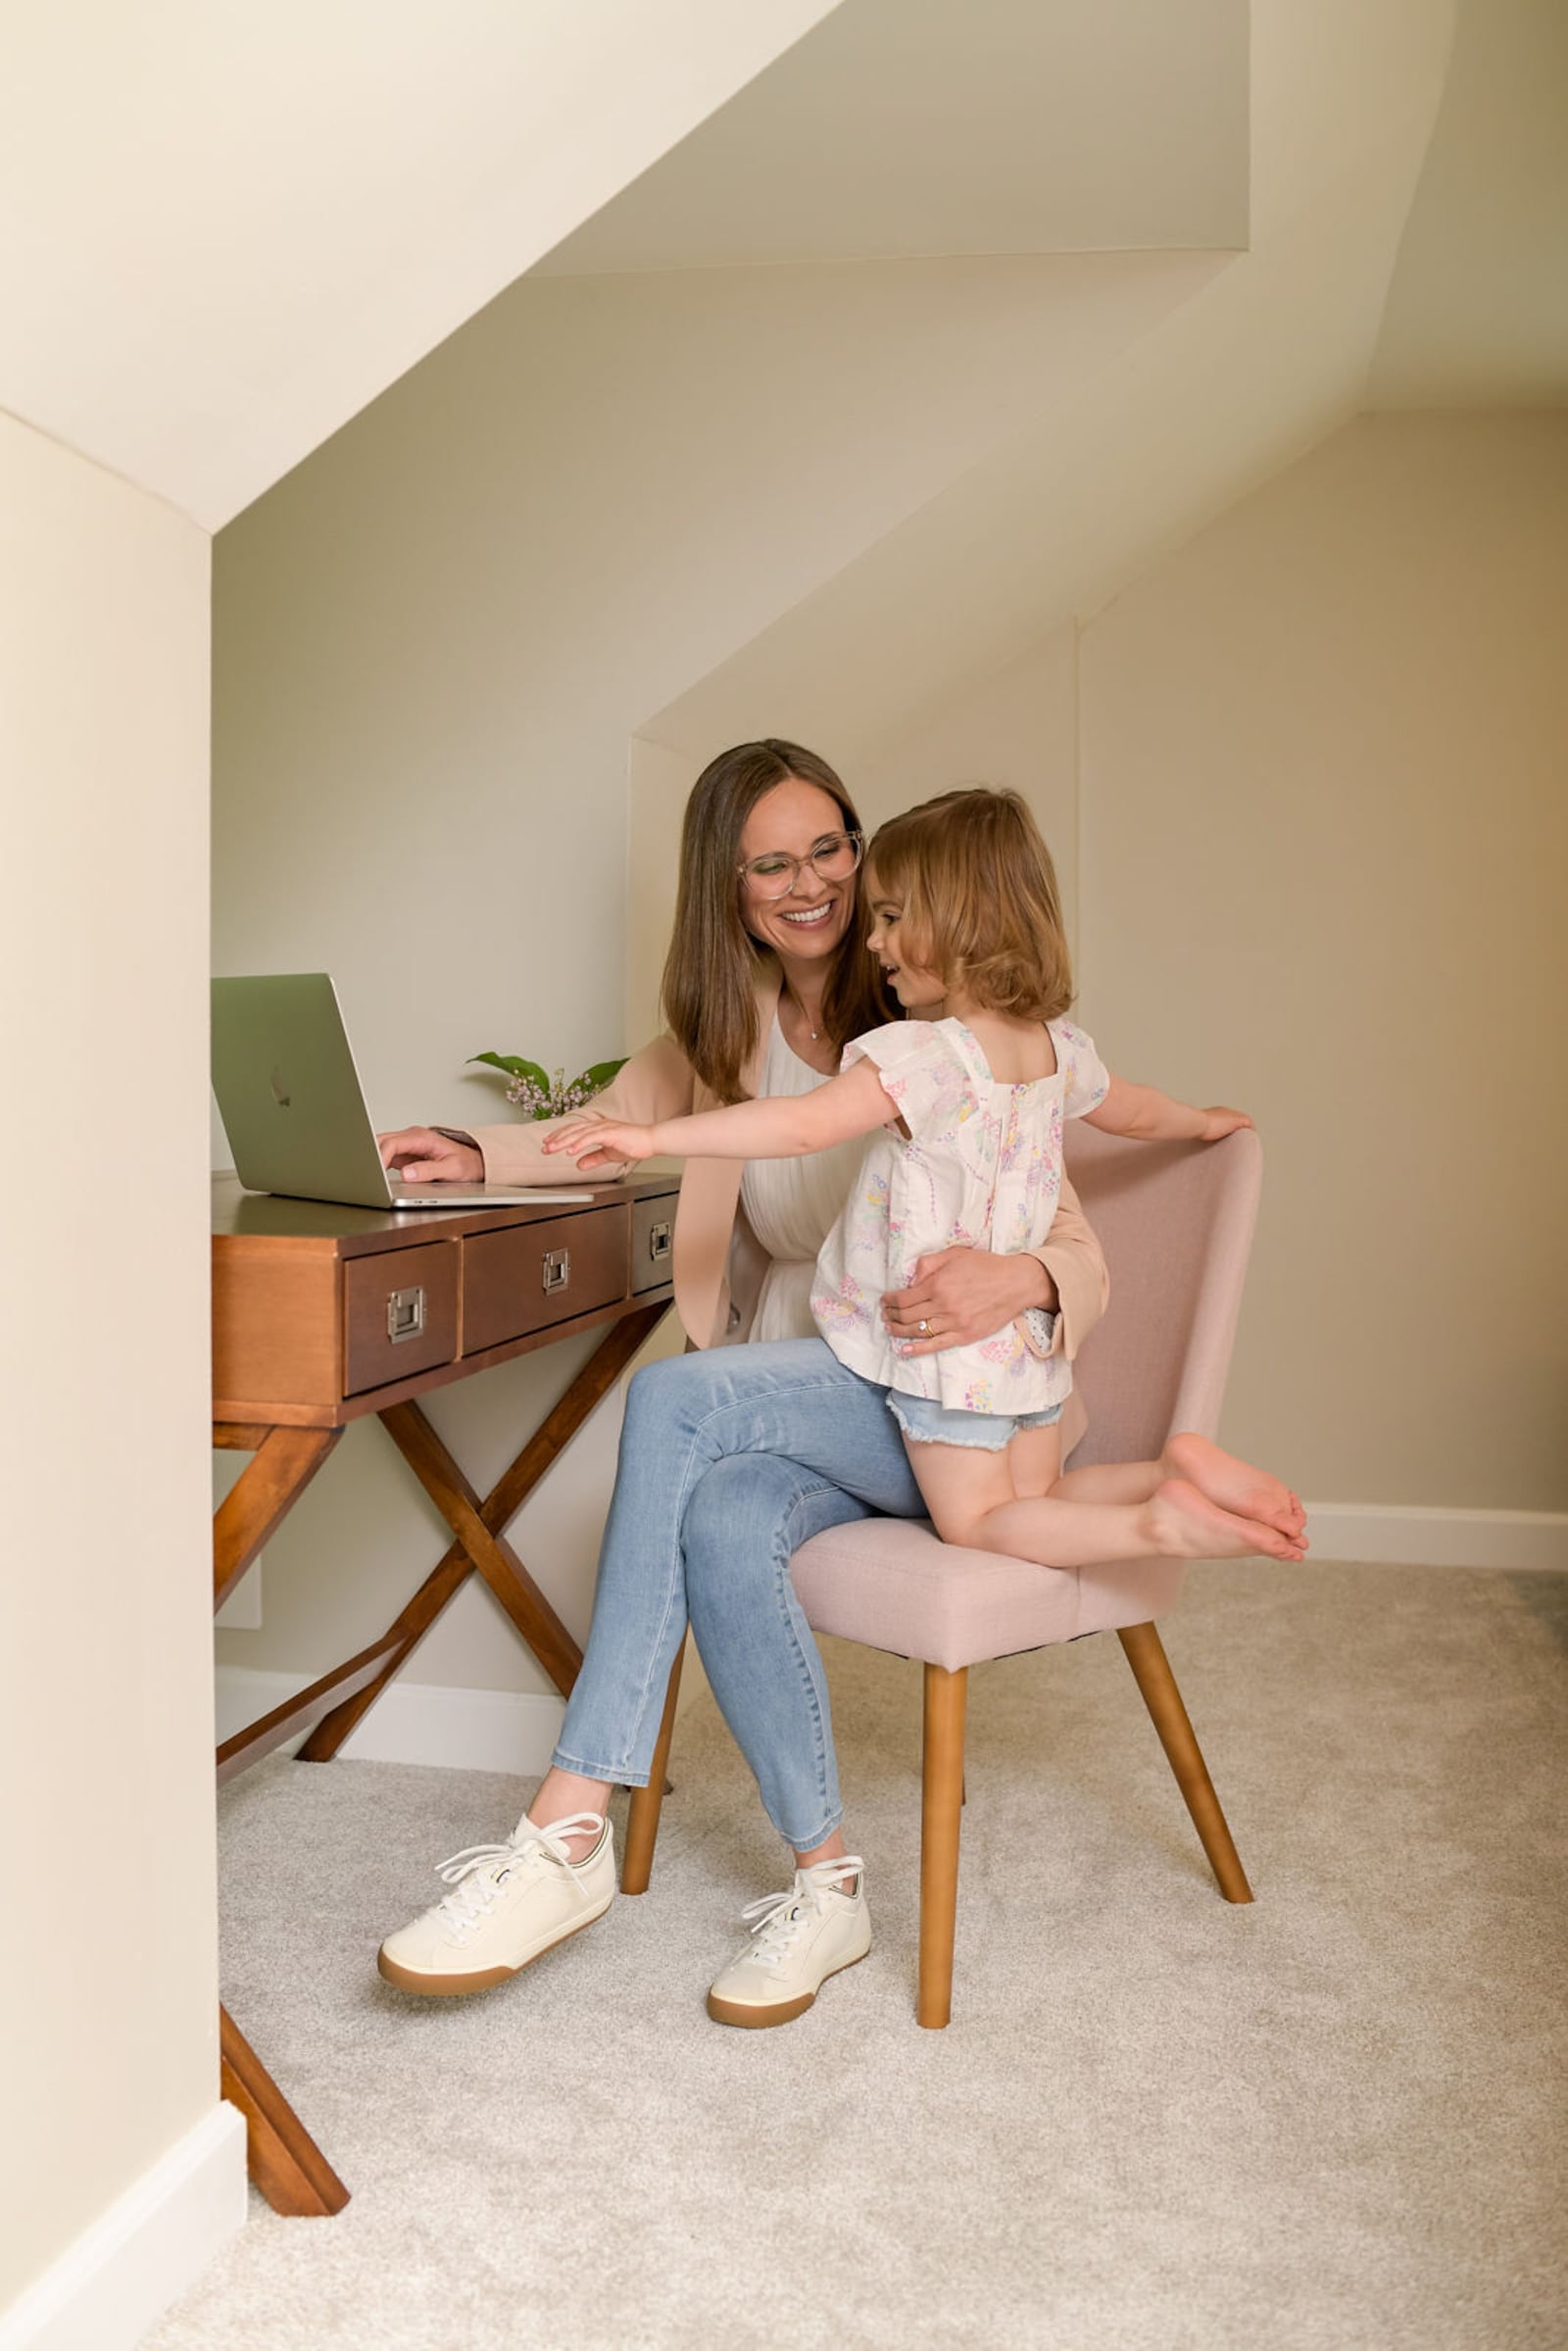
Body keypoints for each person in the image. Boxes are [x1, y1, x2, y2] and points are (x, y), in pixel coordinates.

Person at [375, 743, 1110, 2027]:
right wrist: (460, 1149)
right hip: (820, 1396)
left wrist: (1026, 1279)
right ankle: (828, 1885)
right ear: (730, 886)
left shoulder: (941, 1029)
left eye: (830, 847)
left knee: (672, 1403)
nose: (812, 882)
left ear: (866, 850)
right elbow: (596, 1127)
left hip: (949, 1417)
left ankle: (567, 1827)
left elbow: (1074, 1235)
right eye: (772, 861)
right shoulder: (718, 1037)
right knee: (720, 1516)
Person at [549, 788, 1306, 1573]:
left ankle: (1161, 1525)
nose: (872, 942)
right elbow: (1137, 1111)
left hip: (945, 1360)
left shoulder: (924, 1056)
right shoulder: (1059, 1048)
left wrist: (651, 1136)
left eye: (890, 917)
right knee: (1037, 1500)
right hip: (1027, 1352)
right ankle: (1168, 1471)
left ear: (954, 925)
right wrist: (1204, 1120)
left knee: (979, 1523)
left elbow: (799, 1125)